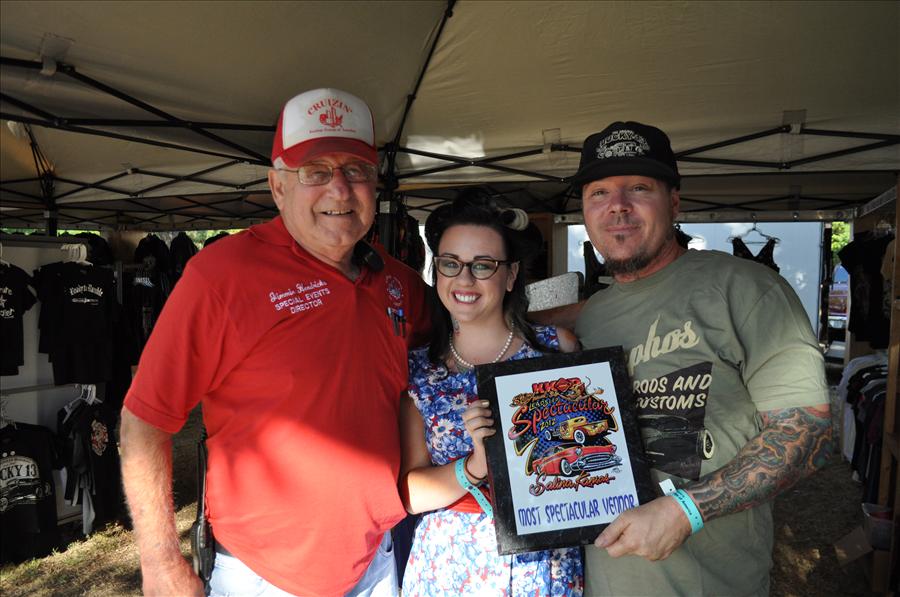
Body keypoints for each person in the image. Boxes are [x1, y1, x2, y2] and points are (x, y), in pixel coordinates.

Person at [119, 88, 429, 597]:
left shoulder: (397, 282)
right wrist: (160, 561)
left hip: (377, 559)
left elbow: (473, 334)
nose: (339, 189)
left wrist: (562, 318)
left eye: (356, 170)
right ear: (277, 185)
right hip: (264, 575)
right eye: (315, 171)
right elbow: (145, 419)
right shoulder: (221, 277)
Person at [551, 121, 833, 595]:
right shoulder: (589, 317)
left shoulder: (746, 289)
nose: (617, 205)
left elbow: (807, 430)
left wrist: (687, 510)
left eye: (639, 188)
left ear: (675, 202)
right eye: (599, 192)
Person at [399, 191, 584, 596]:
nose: (464, 279)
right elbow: (411, 493)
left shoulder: (555, 350)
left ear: (511, 274)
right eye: (451, 264)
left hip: (542, 560)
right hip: (451, 563)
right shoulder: (420, 370)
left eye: (483, 265)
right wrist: (475, 466)